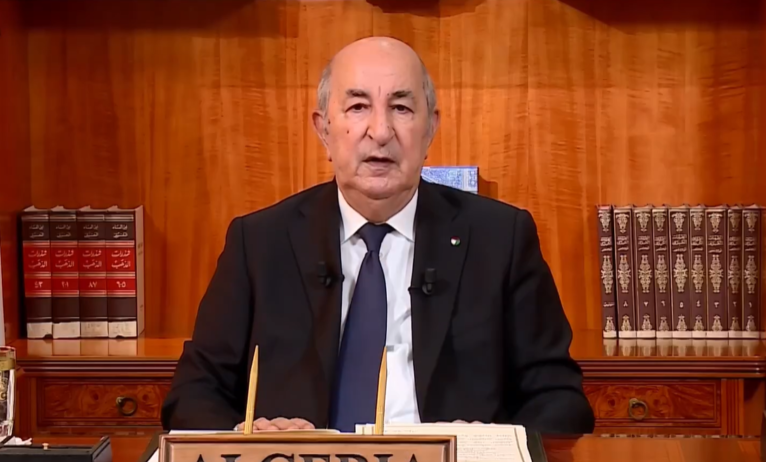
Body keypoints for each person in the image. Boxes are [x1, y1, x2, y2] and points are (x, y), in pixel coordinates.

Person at [161, 36, 594, 435]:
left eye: (401, 108)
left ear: (430, 128)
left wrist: (490, 450)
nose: (381, 131)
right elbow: (193, 395)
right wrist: (246, 440)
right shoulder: (259, 243)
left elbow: (560, 400)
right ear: (323, 129)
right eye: (357, 107)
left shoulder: (500, 239)